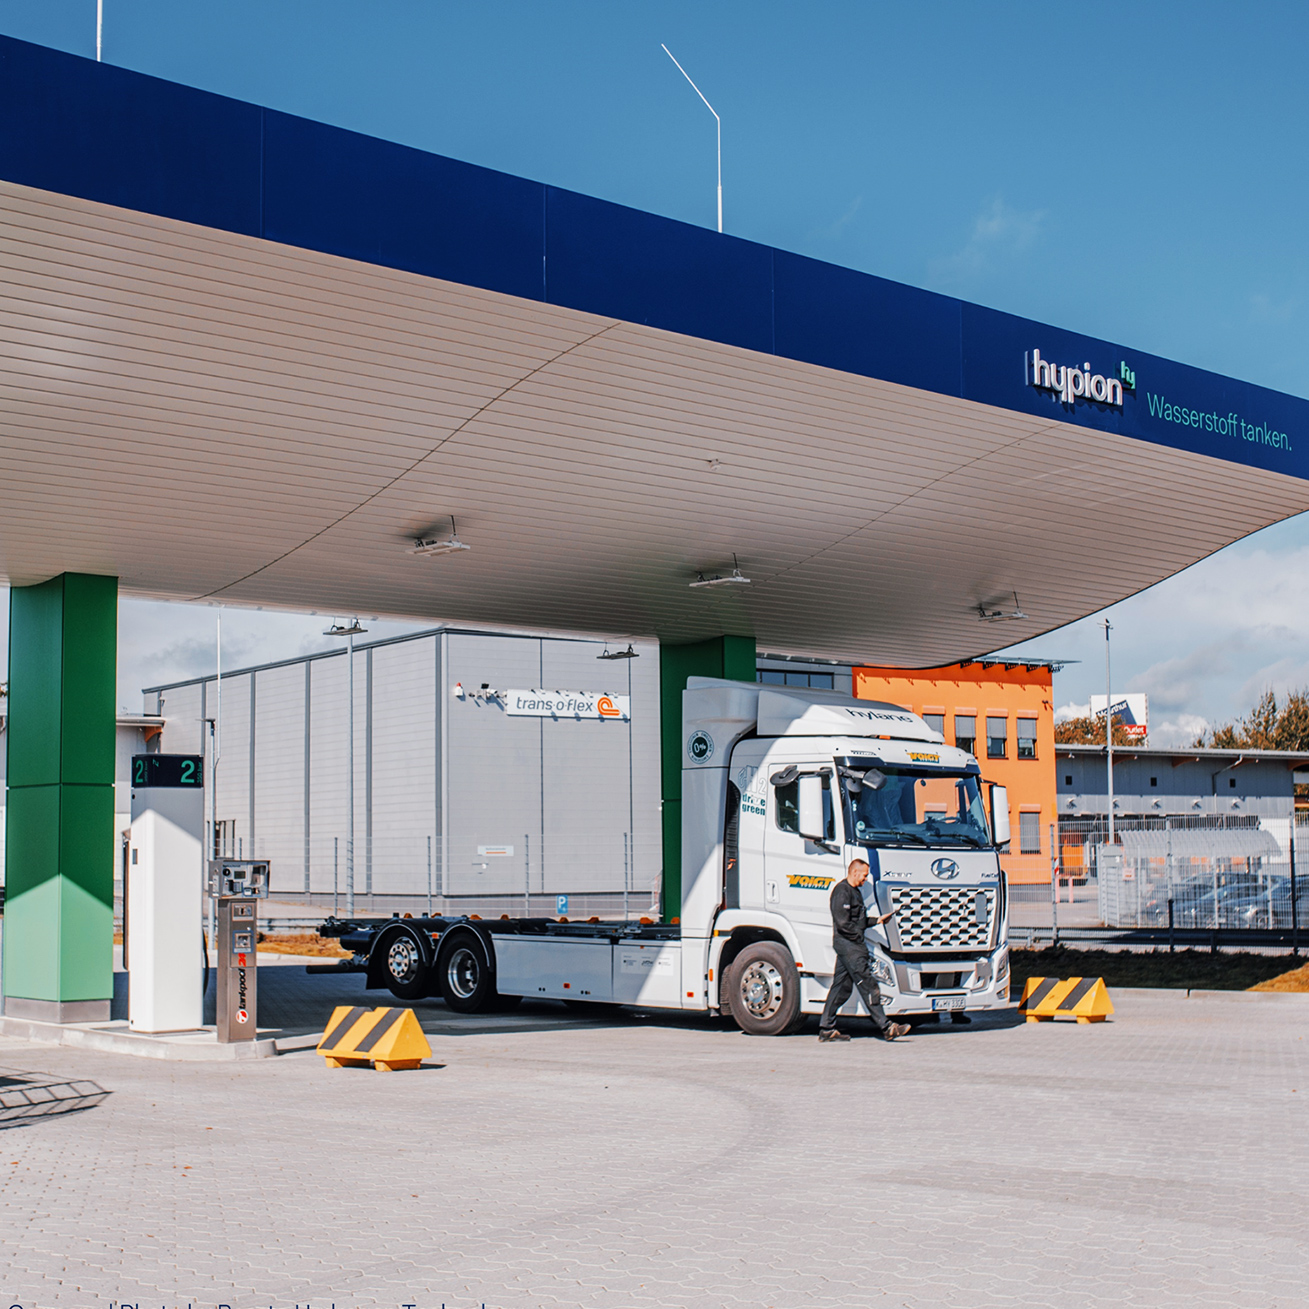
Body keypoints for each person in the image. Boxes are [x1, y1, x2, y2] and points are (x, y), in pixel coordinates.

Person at [818, 858, 911, 1043]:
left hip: (850, 946)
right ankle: (887, 1027)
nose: (865, 879)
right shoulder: (842, 892)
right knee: (868, 985)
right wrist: (858, 940)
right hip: (850, 947)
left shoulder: (855, 892)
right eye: (864, 875)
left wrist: (877, 920)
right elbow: (843, 924)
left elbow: (858, 920)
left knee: (841, 988)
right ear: (854, 872)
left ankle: (826, 1029)